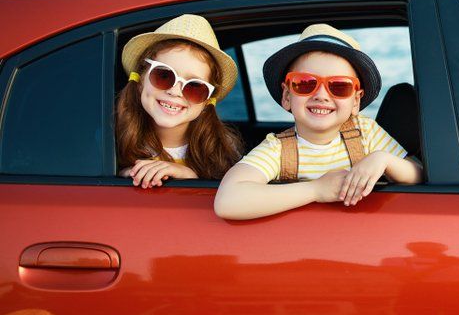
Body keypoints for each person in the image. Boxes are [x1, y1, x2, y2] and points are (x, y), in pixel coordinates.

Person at [214, 24, 423, 220]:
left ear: (355, 102)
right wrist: (316, 190)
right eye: (306, 84)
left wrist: (384, 159)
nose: (321, 95)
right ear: (287, 96)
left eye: (339, 86)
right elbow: (227, 201)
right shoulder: (278, 150)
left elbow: (418, 174)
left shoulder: (366, 133)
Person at [116, 14, 243, 187]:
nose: (175, 92)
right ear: (140, 80)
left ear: (207, 102)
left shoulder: (223, 149)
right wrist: (123, 174)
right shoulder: (111, 139)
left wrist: (190, 179)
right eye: (163, 75)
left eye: (195, 87)